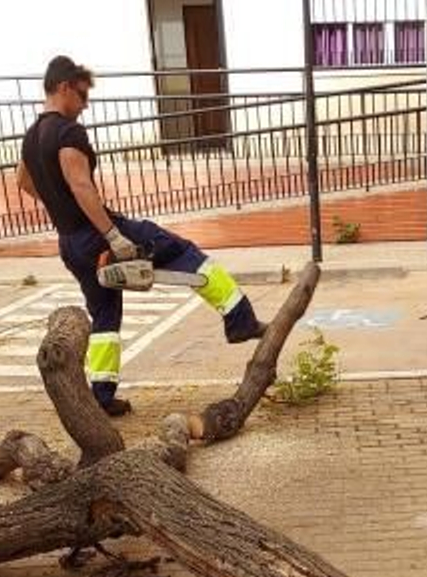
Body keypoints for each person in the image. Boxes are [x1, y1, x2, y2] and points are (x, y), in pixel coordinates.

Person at [17, 55, 263, 415]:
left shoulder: (31, 136)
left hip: (70, 243)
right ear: (64, 87)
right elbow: (81, 185)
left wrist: (59, 205)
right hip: (96, 234)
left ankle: (100, 397)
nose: (85, 106)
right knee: (181, 249)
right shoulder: (67, 131)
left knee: (104, 313)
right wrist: (113, 236)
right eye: (82, 97)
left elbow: (23, 182)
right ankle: (240, 319)